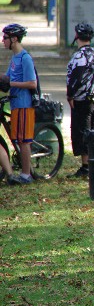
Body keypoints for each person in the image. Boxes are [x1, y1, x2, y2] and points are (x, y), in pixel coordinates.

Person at [1, 23, 37, 185]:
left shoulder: (25, 58)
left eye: (5, 38)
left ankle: (26, 174)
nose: (3, 41)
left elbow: (32, 83)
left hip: (24, 104)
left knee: (24, 141)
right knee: (17, 138)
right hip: (15, 104)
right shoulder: (14, 58)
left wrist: (13, 84)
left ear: (14, 39)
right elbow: (8, 79)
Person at [66, 22, 94, 178]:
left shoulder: (79, 56)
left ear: (77, 36)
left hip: (82, 99)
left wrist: (70, 95)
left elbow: (77, 78)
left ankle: (86, 166)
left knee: (82, 132)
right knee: (93, 130)